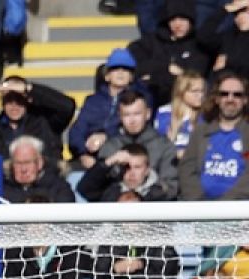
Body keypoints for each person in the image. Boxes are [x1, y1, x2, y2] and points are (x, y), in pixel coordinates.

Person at [0, 76, 76, 193]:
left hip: (46, 193)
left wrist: (29, 88)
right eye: (9, 100)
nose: (14, 105)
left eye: (19, 99)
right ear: (2, 103)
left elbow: (67, 106)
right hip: (7, 197)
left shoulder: (47, 124)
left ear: (28, 100)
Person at [89, 89, 179, 199]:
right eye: (127, 115)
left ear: (148, 114)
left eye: (137, 114)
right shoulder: (110, 147)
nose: (132, 120)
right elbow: (93, 188)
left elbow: (171, 187)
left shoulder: (165, 146)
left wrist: (138, 200)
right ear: (120, 117)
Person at [69, 48, 146, 168]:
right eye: (115, 69)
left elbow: (134, 128)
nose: (120, 72)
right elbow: (77, 130)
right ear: (107, 76)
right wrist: (83, 153)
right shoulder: (92, 100)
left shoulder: (138, 100)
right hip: (87, 155)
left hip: (120, 154)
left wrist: (106, 136)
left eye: (125, 69)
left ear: (131, 77)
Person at [179, 71, 249, 201]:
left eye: (237, 95)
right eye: (224, 94)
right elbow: (187, 168)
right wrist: (200, 202)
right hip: (200, 209)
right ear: (216, 98)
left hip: (240, 210)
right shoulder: (201, 132)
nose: (230, 99)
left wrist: (225, 203)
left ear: (245, 100)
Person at [130, 0, 208, 106]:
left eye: (182, 19)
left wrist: (154, 76)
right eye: (173, 19)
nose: (177, 24)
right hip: (154, 101)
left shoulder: (199, 45)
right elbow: (136, 66)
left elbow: (193, 76)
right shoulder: (152, 41)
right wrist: (167, 67)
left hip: (186, 103)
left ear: (190, 21)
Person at [77, 141, 171, 202]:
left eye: (137, 167)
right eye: (127, 167)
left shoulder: (159, 195)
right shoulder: (110, 190)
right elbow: (84, 189)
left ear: (147, 170)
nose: (132, 173)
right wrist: (108, 162)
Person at [1, 136, 76, 204]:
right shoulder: (2, 189)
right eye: (18, 163)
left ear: (40, 162)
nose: (23, 169)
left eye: (28, 162)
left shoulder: (59, 188)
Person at [156, 71, 205, 157]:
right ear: (181, 91)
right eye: (195, 91)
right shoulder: (165, 113)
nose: (200, 95)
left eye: (202, 91)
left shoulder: (205, 115)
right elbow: (161, 146)